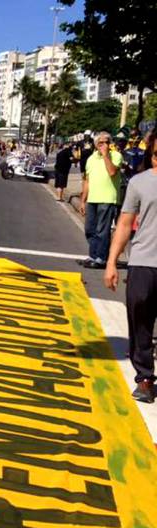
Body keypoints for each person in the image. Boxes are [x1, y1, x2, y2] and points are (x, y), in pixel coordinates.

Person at [104, 134, 157, 402]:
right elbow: (125, 224)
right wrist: (112, 262)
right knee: (140, 321)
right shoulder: (139, 182)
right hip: (143, 262)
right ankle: (145, 378)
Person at [80, 131, 123, 269]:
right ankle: (93, 255)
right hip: (93, 199)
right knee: (89, 229)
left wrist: (105, 156)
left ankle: (101, 258)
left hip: (108, 199)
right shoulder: (91, 159)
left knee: (102, 230)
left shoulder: (116, 156)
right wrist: (83, 200)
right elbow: (87, 180)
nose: (104, 145)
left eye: (107, 142)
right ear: (96, 145)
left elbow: (112, 172)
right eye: (101, 143)